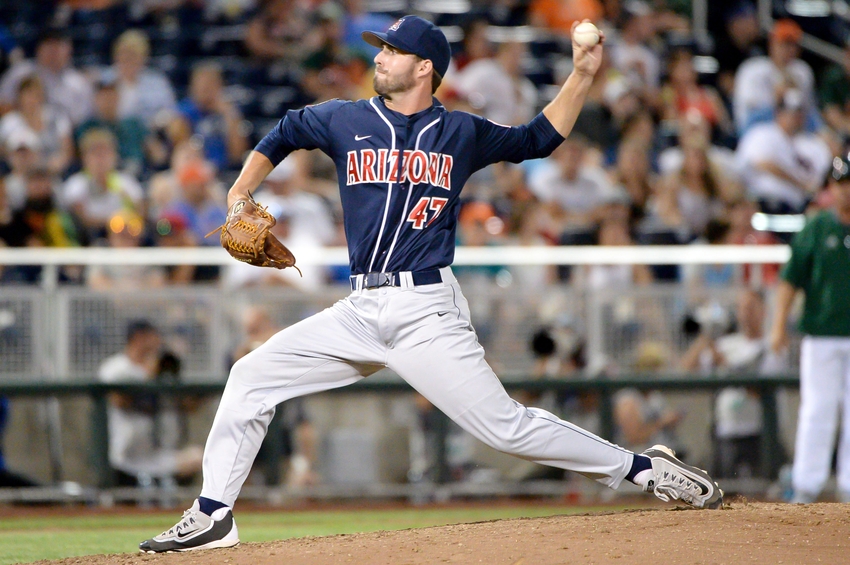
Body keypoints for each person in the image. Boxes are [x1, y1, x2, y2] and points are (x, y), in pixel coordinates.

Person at [139, 16, 723, 554]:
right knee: (250, 376)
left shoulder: (460, 132)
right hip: (361, 307)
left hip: (425, 310)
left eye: (394, 50)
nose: (381, 57)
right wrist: (240, 192)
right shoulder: (348, 119)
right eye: (382, 48)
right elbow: (287, 130)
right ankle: (214, 512)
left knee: (504, 427)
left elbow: (536, 140)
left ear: (425, 68)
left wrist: (581, 74)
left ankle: (644, 469)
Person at [769, 155, 850, 503]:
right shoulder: (817, 229)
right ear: (831, 189)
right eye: (840, 184)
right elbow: (790, 281)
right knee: (818, 408)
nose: (845, 191)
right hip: (821, 334)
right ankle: (806, 486)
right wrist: (777, 326)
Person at [98, 320, 203, 486]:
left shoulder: (161, 367)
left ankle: (177, 503)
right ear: (139, 338)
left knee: (198, 457)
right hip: (126, 456)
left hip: (158, 453)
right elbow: (119, 400)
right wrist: (150, 375)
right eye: (153, 336)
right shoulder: (116, 368)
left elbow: (189, 406)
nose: (158, 341)